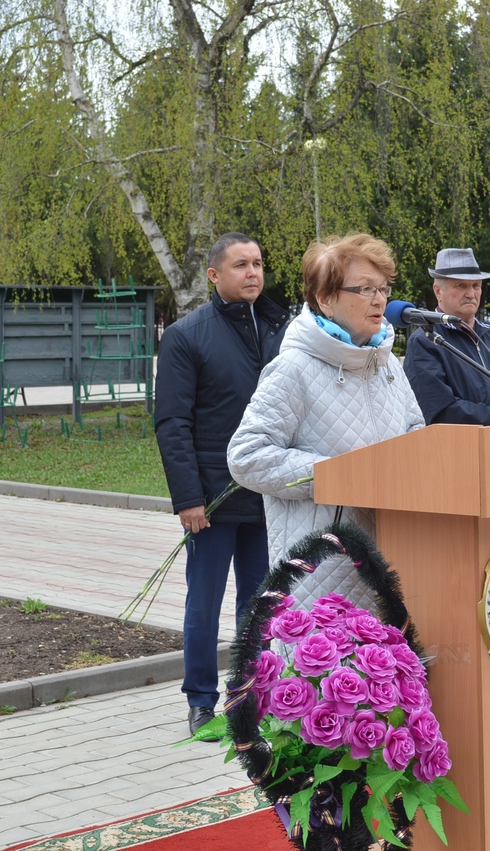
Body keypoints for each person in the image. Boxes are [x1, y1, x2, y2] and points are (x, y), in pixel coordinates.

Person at [227, 234, 425, 612]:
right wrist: (336, 474)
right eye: (365, 289)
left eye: (383, 288)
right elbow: (246, 457)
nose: (379, 300)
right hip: (321, 574)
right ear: (325, 299)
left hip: (390, 562)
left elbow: (416, 433)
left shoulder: (388, 365)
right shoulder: (293, 369)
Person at [154, 232, 289, 736]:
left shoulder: (280, 328)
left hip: (265, 494)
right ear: (214, 275)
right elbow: (172, 422)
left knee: (259, 605)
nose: (253, 273)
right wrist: (189, 498)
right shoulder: (187, 335)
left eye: (258, 263)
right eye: (240, 265)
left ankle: (250, 696)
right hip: (212, 500)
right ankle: (199, 699)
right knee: (204, 604)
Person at [403, 247, 490, 425]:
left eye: (476, 286)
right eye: (461, 285)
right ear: (438, 291)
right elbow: (439, 409)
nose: (471, 294)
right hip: (464, 442)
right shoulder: (425, 341)